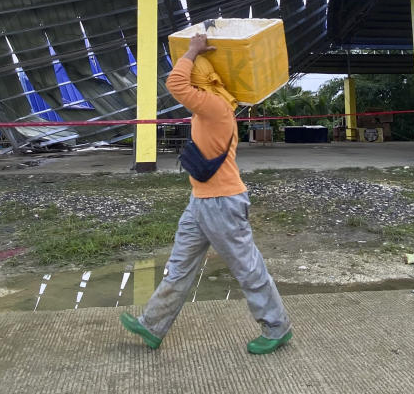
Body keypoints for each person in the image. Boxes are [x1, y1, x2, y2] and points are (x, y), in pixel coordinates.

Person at [120, 33, 293, 355]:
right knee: (180, 265)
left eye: (193, 71)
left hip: (222, 203)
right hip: (201, 201)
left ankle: (277, 327)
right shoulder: (213, 104)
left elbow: (175, 83)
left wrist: (193, 51)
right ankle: (152, 325)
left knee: (247, 268)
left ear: (200, 77)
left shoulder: (213, 105)